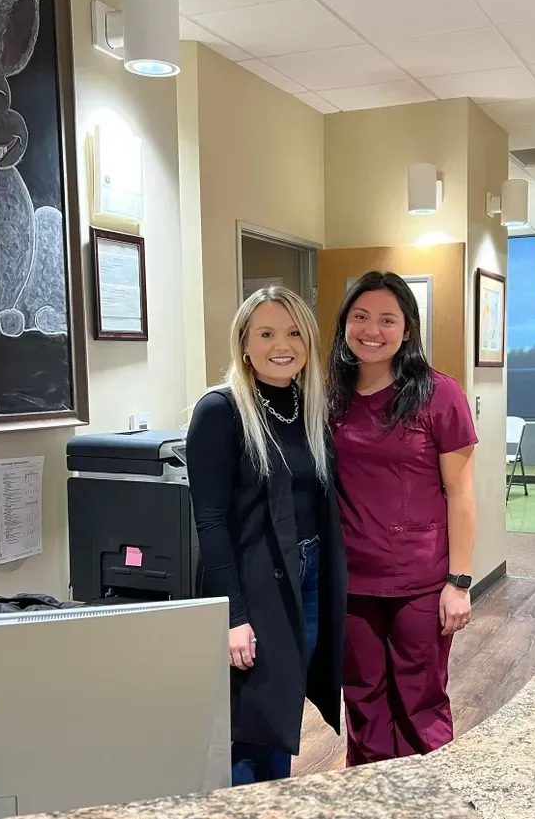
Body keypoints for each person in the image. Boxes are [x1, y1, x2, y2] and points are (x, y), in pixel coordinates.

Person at [186, 285, 346, 786]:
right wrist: (233, 617)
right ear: (244, 344)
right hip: (252, 583)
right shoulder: (221, 410)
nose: (283, 345)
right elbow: (210, 522)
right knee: (251, 718)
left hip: (307, 577)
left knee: (282, 705)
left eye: (295, 333)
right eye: (267, 333)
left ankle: (275, 800)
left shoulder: (307, 405)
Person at [327, 271, 477, 767]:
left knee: (421, 701)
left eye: (387, 320)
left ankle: (429, 797)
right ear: (344, 324)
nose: (373, 330)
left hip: (421, 580)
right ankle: (371, 795)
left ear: (408, 328)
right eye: (360, 317)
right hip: (351, 578)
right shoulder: (329, 396)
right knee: (363, 700)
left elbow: (461, 494)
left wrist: (459, 582)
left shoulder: (440, 394)